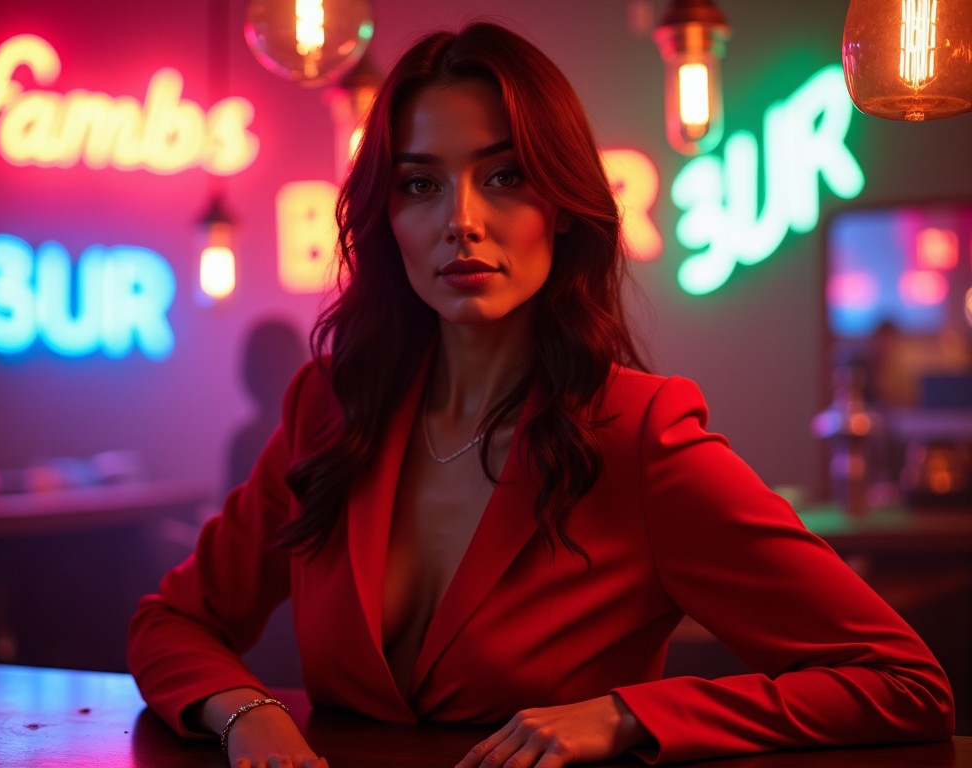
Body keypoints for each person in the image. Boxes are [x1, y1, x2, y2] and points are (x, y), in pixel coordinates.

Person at [127, 20, 954, 768]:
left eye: (505, 176)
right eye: (420, 185)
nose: (461, 220)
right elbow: (173, 622)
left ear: (561, 205)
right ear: (387, 217)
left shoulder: (638, 434)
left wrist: (627, 715)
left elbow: (902, 682)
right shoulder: (332, 409)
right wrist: (247, 713)